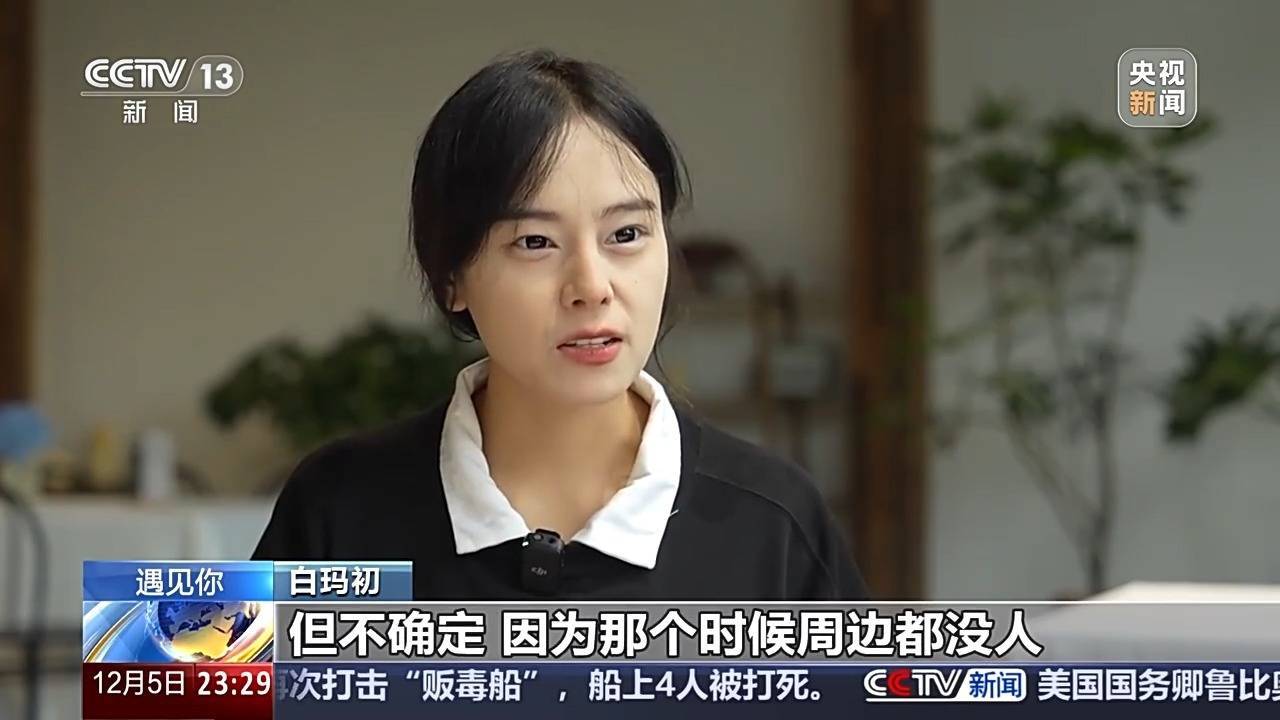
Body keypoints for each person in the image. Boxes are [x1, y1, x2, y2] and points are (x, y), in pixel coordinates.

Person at [252, 49, 868, 600]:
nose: (592, 287)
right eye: (535, 242)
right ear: (451, 276)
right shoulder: (339, 509)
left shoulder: (773, 524)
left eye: (626, 234)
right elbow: (210, 667)